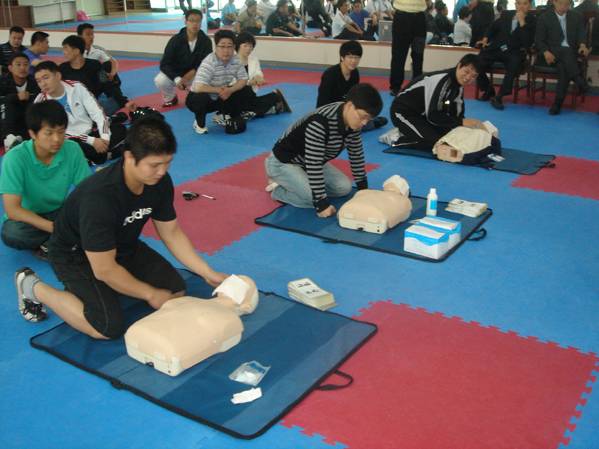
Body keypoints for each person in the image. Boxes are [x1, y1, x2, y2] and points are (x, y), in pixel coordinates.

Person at [13, 116, 228, 335]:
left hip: (121, 245)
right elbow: (104, 269)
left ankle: (111, 288)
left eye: (167, 163)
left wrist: (207, 272)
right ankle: (32, 286)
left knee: (175, 290)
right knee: (106, 327)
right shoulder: (100, 197)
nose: (162, 171)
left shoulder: (159, 182)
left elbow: (171, 232)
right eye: (154, 165)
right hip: (75, 255)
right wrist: (149, 294)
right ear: (129, 157)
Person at [264, 83, 383, 217]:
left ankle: (300, 183)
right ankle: (279, 190)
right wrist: (321, 204)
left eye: (369, 119)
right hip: (283, 163)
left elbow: (356, 154)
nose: (365, 123)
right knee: (312, 199)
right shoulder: (320, 122)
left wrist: (363, 191)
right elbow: (314, 163)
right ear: (350, 105)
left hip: (308, 162)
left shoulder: (353, 123)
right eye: (363, 116)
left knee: (344, 188)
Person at [0, 101, 90, 260]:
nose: (57, 139)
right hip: (28, 217)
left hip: (60, 211)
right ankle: (63, 239)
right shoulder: (15, 158)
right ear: (33, 134)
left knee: (96, 212)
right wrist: (55, 228)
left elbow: (88, 190)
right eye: (49, 133)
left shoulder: (72, 149)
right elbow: (12, 210)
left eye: (61, 132)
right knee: (12, 233)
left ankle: (52, 243)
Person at [34, 61, 126, 165]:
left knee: (120, 129)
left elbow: (97, 113)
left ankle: (92, 157)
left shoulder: (76, 87)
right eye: (39, 81)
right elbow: (56, 133)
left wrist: (104, 139)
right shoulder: (41, 103)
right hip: (69, 140)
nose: (43, 84)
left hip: (90, 132)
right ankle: (106, 155)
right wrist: (91, 141)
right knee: (69, 146)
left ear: (58, 75)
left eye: (46, 78)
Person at [390, 53, 486, 151]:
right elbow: (433, 116)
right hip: (403, 113)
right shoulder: (440, 81)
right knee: (436, 144)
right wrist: (461, 122)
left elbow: (457, 113)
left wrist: (466, 127)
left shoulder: (458, 86)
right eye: (466, 72)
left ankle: (412, 131)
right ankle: (396, 137)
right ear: (459, 66)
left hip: (423, 115)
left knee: (450, 137)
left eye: (473, 76)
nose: (468, 77)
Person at [185, 30, 254, 134]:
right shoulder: (209, 62)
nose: (226, 50)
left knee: (246, 90)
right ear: (216, 47)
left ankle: (228, 115)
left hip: (221, 96)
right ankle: (199, 123)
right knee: (200, 98)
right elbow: (199, 87)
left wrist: (230, 90)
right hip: (200, 97)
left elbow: (243, 79)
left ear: (234, 47)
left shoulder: (235, 60)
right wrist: (220, 90)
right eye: (222, 46)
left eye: (229, 46)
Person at [476, 0, 536, 110]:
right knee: (477, 61)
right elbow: (492, 27)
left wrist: (522, 22)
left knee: (514, 64)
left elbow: (527, 43)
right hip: (499, 48)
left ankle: (499, 96)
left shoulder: (533, 20)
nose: (521, 6)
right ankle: (488, 89)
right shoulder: (507, 14)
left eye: (525, 3)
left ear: (530, 5)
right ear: (515, 4)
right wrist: (485, 39)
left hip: (515, 51)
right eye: (519, 3)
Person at [316, 40, 387, 129]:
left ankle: (369, 122)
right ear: (342, 57)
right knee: (356, 126)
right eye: (350, 57)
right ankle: (372, 123)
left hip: (347, 110)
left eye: (357, 58)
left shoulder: (355, 73)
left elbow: (355, 98)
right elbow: (322, 104)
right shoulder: (330, 75)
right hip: (331, 113)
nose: (353, 61)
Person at [535, 0, 589, 115]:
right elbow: (539, 40)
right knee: (565, 52)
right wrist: (545, 52)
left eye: (567, 4)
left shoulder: (576, 16)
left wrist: (582, 45)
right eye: (560, 3)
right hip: (550, 54)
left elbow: (581, 34)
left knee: (563, 67)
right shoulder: (544, 17)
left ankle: (557, 104)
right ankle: (580, 81)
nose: (563, 7)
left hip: (569, 56)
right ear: (554, 2)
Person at [155, 9, 212, 108]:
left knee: (212, 77)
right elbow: (164, 64)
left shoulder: (206, 41)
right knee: (160, 80)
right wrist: (177, 79)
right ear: (185, 22)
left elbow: (206, 62)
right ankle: (170, 98)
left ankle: (199, 96)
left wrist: (191, 73)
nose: (195, 24)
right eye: (191, 20)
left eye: (198, 21)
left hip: (196, 74)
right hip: (177, 74)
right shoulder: (175, 40)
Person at [77, 23, 134, 111]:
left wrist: (112, 74)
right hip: (83, 83)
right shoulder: (76, 52)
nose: (91, 37)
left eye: (92, 34)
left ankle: (117, 97)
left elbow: (113, 62)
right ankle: (120, 99)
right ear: (80, 36)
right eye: (88, 34)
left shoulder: (97, 49)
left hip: (98, 82)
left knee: (107, 66)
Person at [235, 32, 292, 118]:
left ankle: (269, 103)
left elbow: (258, 73)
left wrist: (259, 78)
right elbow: (232, 82)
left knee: (247, 106)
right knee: (243, 106)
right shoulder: (231, 61)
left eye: (251, 46)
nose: (248, 49)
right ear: (238, 45)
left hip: (250, 96)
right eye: (245, 46)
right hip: (235, 95)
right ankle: (272, 107)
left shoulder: (254, 60)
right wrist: (249, 82)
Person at [0, 53, 40, 148]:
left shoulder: (35, 82)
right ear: (10, 68)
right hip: (7, 120)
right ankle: (8, 137)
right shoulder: (2, 82)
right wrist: (15, 97)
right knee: (8, 103)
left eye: (25, 64)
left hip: (26, 119)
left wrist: (30, 97)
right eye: (18, 64)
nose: (22, 68)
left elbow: (42, 97)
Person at [389, 0, 427, 96]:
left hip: (419, 18)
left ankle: (417, 84)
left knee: (418, 55)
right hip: (401, 17)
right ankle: (396, 87)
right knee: (398, 55)